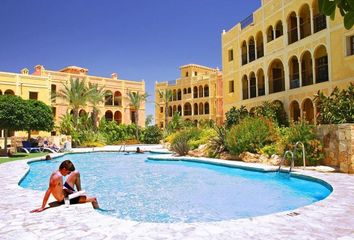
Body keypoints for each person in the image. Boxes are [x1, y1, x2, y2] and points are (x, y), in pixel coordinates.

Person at [31, 160, 99, 213]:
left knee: (76, 173)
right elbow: (49, 190)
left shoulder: (57, 172)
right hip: (64, 199)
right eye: (68, 172)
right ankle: (99, 210)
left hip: (65, 192)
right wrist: (42, 207)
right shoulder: (57, 176)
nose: (68, 174)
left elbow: (57, 187)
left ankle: (79, 193)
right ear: (64, 169)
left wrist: (64, 188)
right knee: (94, 199)